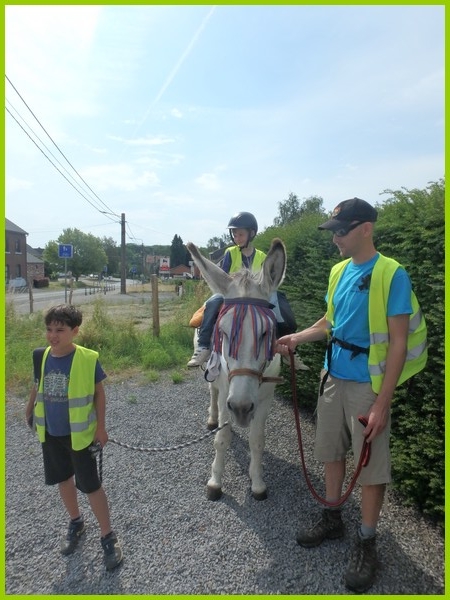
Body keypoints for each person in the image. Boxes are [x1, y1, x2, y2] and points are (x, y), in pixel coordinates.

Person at [275, 197, 427, 593]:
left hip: (367, 387)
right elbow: (330, 321)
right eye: (333, 231)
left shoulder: (392, 273)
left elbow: (398, 343)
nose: (335, 238)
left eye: (341, 231)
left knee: (370, 466)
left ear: (366, 229)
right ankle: (333, 517)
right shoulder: (338, 271)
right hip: (332, 377)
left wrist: (382, 402)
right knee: (331, 452)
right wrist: (297, 337)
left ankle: (367, 541)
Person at [25, 304, 123, 571]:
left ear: (75, 331)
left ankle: (108, 536)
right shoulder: (41, 355)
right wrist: (29, 408)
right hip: (51, 433)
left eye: (60, 330)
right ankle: (76, 522)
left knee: (91, 486)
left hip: (79, 436)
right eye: (49, 329)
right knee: (63, 479)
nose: (52, 335)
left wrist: (101, 428)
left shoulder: (87, 358)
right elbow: (37, 384)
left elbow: (99, 394)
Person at [187, 211, 268, 367]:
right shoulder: (230, 253)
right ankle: (203, 346)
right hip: (232, 293)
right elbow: (223, 275)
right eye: (235, 235)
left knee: (279, 303)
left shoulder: (262, 256)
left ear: (251, 234)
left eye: (241, 235)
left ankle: (286, 347)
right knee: (213, 302)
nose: (237, 238)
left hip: (254, 296)